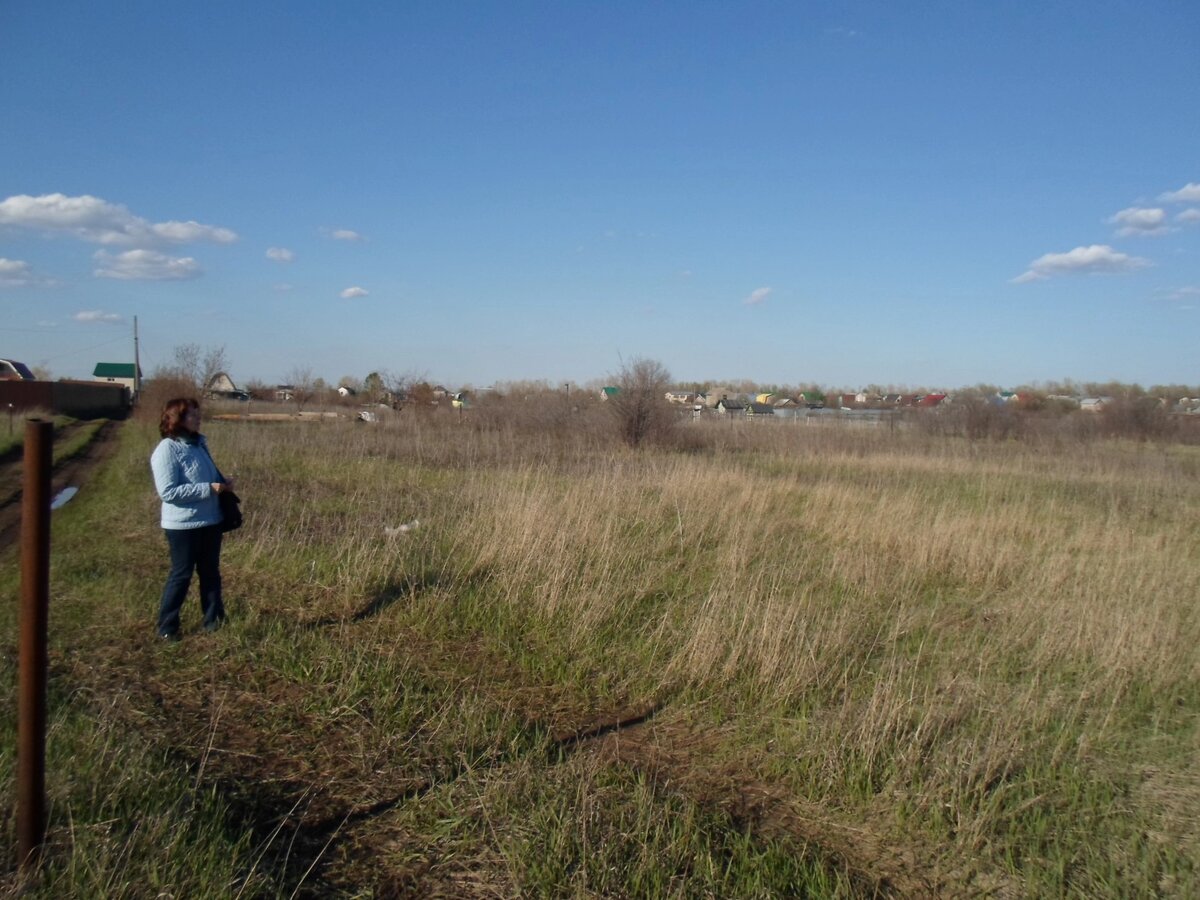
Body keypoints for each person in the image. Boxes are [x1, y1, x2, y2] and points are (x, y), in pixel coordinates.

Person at [150, 397, 235, 640]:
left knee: (210, 573)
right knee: (182, 574)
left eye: (198, 414)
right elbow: (168, 492)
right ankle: (167, 627)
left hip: (211, 521)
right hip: (182, 526)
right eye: (192, 415)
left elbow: (208, 480)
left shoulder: (199, 445)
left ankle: (214, 621)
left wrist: (223, 484)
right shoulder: (167, 449)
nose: (198, 418)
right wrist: (211, 488)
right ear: (176, 419)